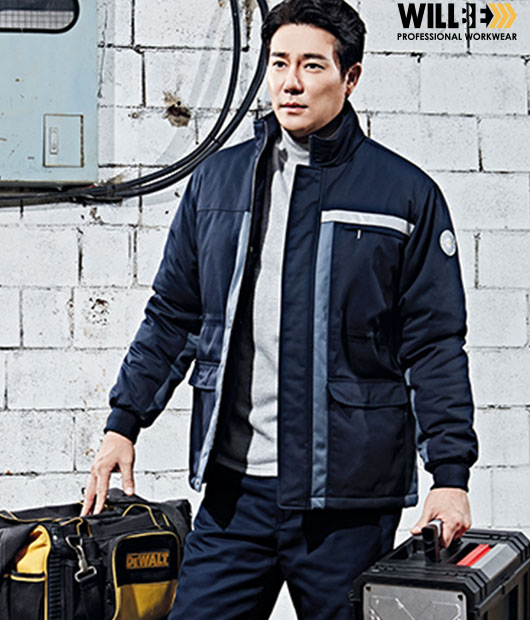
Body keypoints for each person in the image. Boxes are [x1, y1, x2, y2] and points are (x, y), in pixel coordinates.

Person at [82, 0, 478, 617]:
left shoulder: (404, 195)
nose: (291, 82)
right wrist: (123, 422)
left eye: (312, 65)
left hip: (346, 505)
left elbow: (433, 345)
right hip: (234, 497)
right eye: (279, 63)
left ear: (350, 77)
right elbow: (174, 316)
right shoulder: (218, 182)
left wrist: (450, 476)